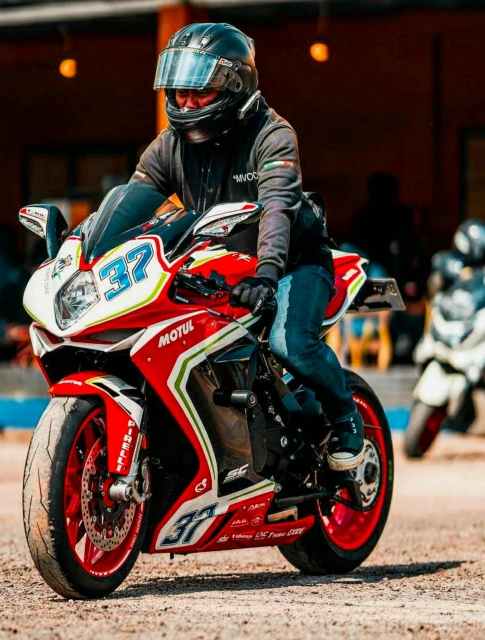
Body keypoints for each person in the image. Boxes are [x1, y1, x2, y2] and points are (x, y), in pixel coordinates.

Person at [130, 22, 364, 470]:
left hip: (293, 263)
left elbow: (278, 207)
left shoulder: (272, 135)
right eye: (179, 92)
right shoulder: (170, 145)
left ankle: (345, 415)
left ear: (235, 85)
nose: (185, 103)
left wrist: (267, 272)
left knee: (288, 343)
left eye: (198, 92)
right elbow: (133, 199)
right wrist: (87, 243)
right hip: (219, 264)